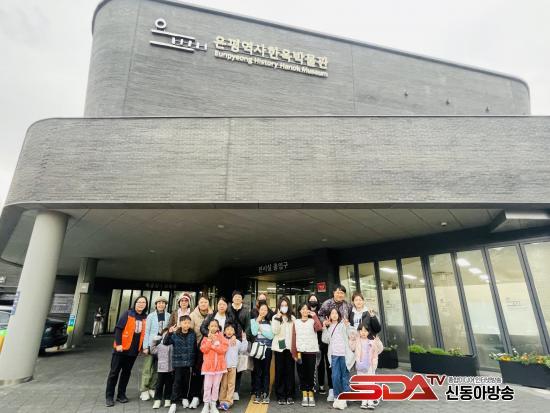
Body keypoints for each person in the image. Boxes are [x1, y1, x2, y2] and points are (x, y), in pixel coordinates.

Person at [105, 296, 148, 407]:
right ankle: (109, 397)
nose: (141, 304)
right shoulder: (128, 313)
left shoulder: (145, 317)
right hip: (121, 349)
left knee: (126, 373)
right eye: (139, 302)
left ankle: (121, 395)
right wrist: (119, 344)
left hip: (133, 351)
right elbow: (118, 329)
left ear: (146, 305)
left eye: (143, 302)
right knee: (114, 373)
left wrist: (143, 347)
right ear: (135, 303)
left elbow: (144, 334)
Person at [318, 284, 353, 402]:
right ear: (333, 293)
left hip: (344, 339)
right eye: (338, 292)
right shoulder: (327, 303)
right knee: (332, 368)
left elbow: (350, 319)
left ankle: (345, 392)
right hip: (330, 337)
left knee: (345, 370)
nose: (340, 294)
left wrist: (349, 327)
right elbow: (320, 314)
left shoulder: (348, 305)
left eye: (342, 293)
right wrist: (325, 323)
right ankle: (333, 390)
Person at [321, 308, 356, 410]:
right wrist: (324, 327)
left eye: (336, 313)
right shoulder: (329, 327)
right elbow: (325, 340)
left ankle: (345, 397)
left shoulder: (343, 325)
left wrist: (348, 325)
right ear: (329, 316)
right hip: (334, 355)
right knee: (335, 376)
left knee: (344, 376)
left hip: (344, 355)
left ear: (339, 315)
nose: (334, 315)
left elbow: (352, 335)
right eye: (332, 313)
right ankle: (337, 396)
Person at [164, 315, 200, 412]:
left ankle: (185, 398)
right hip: (178, 363)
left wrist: (195, 363)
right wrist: (169, 333)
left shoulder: (192, 334)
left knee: (187, 382)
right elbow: (165, 342)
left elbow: (195, 348)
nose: (186, 325)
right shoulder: (175, 334)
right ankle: (173, 402)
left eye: (188, 323)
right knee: (177, 382)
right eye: (184, 323)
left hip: (189, 363)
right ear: (180, 324)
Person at [292, 303, 322, 407]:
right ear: (299, 311)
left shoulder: (312, 321)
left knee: (311, 373)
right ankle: (304, 394)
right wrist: (294, 353)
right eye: (302, 309)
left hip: (311, 351)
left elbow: (319, 328)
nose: (305, 311)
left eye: (306, 309)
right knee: (301, 373)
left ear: (309, 311)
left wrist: (314, 316)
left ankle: (311, 394)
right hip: (300, 352)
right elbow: (293, 337)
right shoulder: (296, 322)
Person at [141, 296, 171, 401]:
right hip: (151, 344)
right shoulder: (151, 316)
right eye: (159, 303)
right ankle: (144, 389)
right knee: (147, 367)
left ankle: (152, 387)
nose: (161, 304)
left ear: (165, 305)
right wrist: (145, 346)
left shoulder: (168, 316)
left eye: (163, 303)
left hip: (162, 346)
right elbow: (146, 332)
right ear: (156, 305)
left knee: (157, 368)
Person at [271, 296, 296, 405]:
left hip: (290, 347)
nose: (284, 307)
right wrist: (278, 318)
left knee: (290, 371)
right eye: (282, 305)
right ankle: (280, 395)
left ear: (289, 306)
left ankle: (290, 394)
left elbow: (295, 333)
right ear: (279, 306)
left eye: (286, 305)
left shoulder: (293, 318)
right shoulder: (275, 317)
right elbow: (275, 331)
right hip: (279, 347)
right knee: (279, 371)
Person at [200, 319, 229, 413]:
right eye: (212, 326)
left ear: (218, 327)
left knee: (216, 386)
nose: (213, 327)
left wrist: (213, 346)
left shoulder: (221, 337)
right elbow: (204, 349)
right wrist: (209, 341)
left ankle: (213, 404)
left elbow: (223, 349)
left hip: (219, 366)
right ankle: (206, 404)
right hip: (209, 366)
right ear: (208, 327)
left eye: (215, 326)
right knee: (207, 386)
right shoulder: (205, 338)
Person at [354, 316, 383, 410]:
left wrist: (377, 341)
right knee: (361, 383)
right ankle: (364, 401)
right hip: (360, 365)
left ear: (369, 332)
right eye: (361, 330)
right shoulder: (357, 340)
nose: (363, 332)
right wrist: (351, 338)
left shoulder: (372, 341)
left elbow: (379, 350)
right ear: (359, 331)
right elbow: (351, 347)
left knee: (370, 383)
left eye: (365, 331)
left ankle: (370, 401)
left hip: (370, 365)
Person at [227, 290, 251, 401]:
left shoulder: (246, 311)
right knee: (228, 366)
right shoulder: (228, 309)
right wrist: (230, 335)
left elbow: (248, 326)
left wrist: (244, 337)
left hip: (240, 341)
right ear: (232, 298)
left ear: (242, 299)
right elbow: (226, 323)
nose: (237, 298)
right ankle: (228, 389)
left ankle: (236, 390)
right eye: (235, 297)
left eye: (239, 297)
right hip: (229, 340)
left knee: (238, 366)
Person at [219, 323, 248, 411]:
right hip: (224, 367)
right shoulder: (222, 340)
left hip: (233, 366)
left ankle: (228, 401)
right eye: (227, 329)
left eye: (231, 330)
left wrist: (244, 339)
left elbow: (243, 349)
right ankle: (222, 400)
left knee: (231, 384)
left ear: (234, 332)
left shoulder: (237, 342)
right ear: (224, 331)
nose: (229, 331)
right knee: (223, 385)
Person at [190, 295, 214, 402]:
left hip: (211, 348)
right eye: (201, 302)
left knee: (209, 372)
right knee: (197, 371)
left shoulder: (213, 314)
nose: (203, 304)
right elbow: (190, 332)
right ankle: (196, 395)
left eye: (205, 302)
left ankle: (207, 395)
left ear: (208, 303)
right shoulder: (193, 315)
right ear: (198, 304)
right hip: (197, 347)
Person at [307, 294, 331, 396]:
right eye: (311, 300)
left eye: (314, 299)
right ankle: (321, 385)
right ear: (308, 301)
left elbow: (324, 325)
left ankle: (331, 386)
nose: (313, 301)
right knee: (319, 364)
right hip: (313, 341)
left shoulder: (322, 311)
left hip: (324, 340)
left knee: (329, 363)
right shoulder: (306, 312)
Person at [249, 302, 273, 404]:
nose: (263, 311)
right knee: (258, 371)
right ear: (259, 310)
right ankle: (258, 393)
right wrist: (257, 322)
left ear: (267, 311)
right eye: (262, 309)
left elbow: (271, 336)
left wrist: (261, 329)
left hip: (267, 349)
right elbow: (254, 332)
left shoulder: (270, 322)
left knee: (266, 371)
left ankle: (265, 393)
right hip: (257, 348)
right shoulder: (253, 320)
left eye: (265, 310)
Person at [150, 329, 174, 409]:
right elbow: (152, 350)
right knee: (159, 385)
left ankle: (167, 399)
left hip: (170, 369)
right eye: (164, 334)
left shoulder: (172, 345)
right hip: (161, 369)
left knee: (169, 385)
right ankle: (157, 400)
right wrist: (154, 340)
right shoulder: (159, 346)